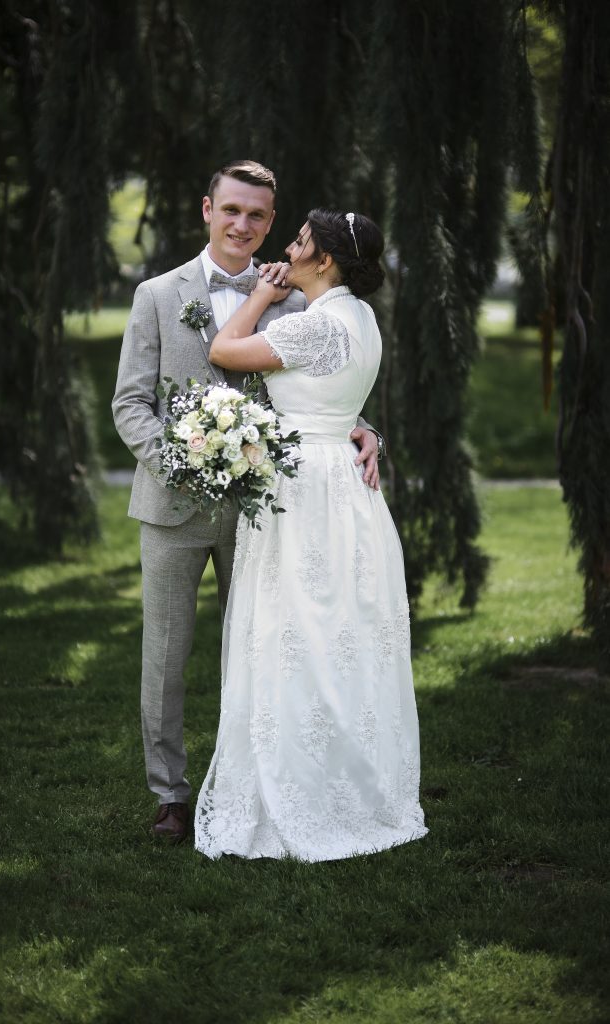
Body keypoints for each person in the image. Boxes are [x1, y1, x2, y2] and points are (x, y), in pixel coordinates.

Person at [112, 162, 381, 844]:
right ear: (207, 209)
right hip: (171, 506)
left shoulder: (295, 299)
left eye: (258, 216)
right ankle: (170, 795)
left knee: (261, 653)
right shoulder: (155, 294)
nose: (243, 225)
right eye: (230, 210)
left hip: (266, 512)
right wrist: (181, 463)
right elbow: (129, 404)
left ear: (270, 221)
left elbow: (325, 387)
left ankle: (249, 781)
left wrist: (362, 426)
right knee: (165, 658)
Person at [195, 208, 427, 861]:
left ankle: (302, 793)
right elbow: (338, 402)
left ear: (322, 260)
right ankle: (342, 779)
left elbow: (223, 349)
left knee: (292, 631)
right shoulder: (360, 317)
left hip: (303, 488)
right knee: (340, 637)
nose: (285, 251)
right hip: (342, 488)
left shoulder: (313, 325)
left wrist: (266, 295)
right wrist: (366, 428)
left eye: (297, 243)